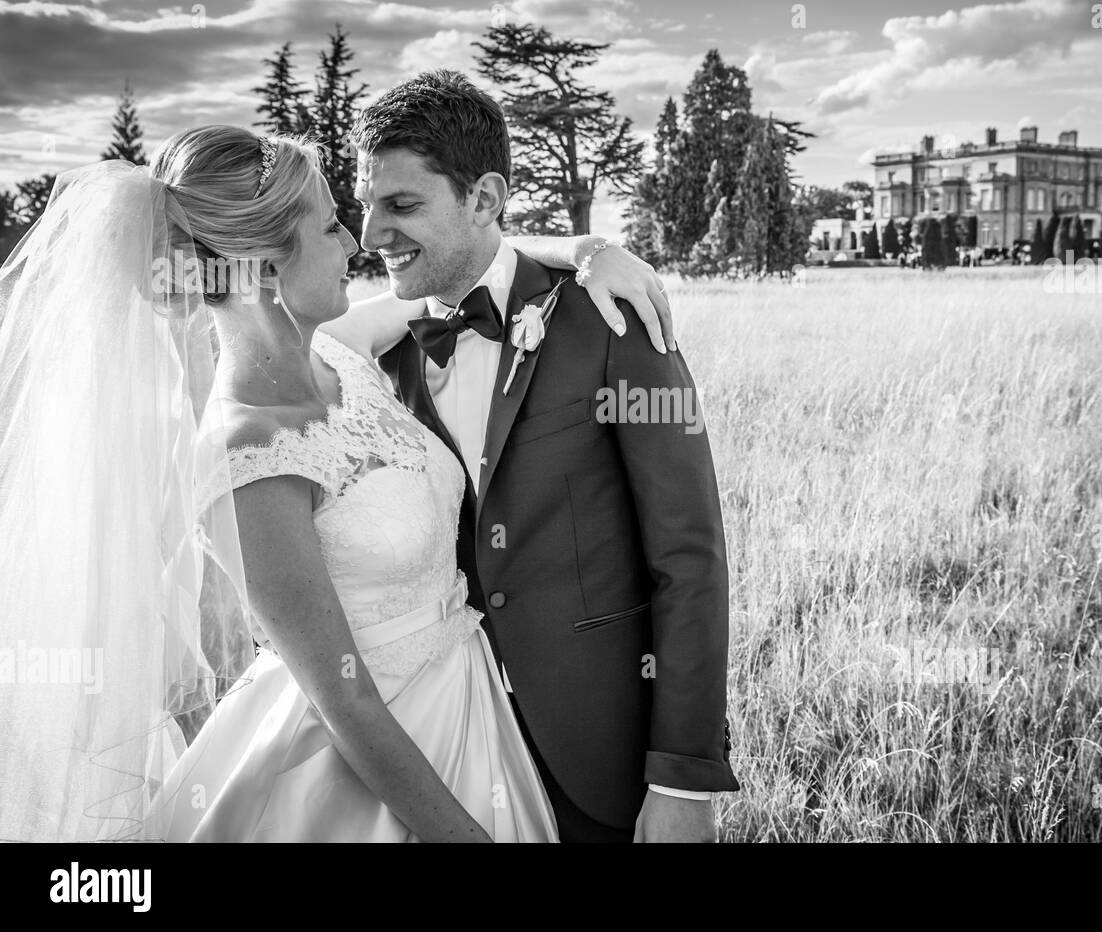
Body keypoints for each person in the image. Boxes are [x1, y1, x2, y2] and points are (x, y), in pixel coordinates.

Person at [0, 125, 671, 842]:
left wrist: (589, 252)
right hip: (372, 771)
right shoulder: (246, 457)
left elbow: (466, 270)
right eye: (329, 225)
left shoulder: (340, 352)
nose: (357, 242)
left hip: (473, 708)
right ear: (262, 269)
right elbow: (345, 705)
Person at [353, 70, 739, 843]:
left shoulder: (608, 317)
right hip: (448, 753)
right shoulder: (376, 357)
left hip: (604, 759)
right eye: (363, 206)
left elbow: (689, 554)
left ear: (486, 199)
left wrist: (681, 778)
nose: (370, 234)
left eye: (400, 206)